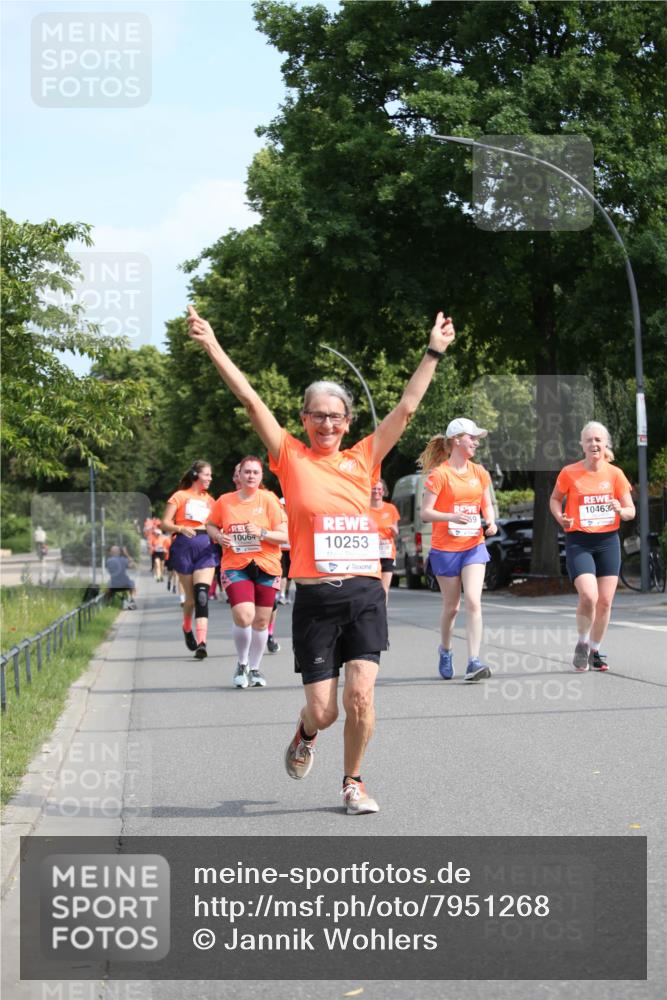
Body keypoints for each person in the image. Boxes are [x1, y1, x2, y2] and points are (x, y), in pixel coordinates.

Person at [188, 304, 456, 814]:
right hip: (314, 598)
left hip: (362, 594)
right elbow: (248, 398)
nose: (327, 423)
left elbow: (407, 408)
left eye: (336, 416)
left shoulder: (363, 458)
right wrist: (211, 344)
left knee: (361, 698)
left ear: (348, 421)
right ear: (304, 419)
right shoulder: (288, 457)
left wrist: (434, 351)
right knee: (326, 710)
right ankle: (306, 731)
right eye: (317, 415)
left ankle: (352, 782)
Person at [549, 421, 635, 672]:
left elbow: (630, 510)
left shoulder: (615, 474)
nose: (594, 444)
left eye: (598, 440)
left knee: (605, 602)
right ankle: (582, 643)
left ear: (605, 443)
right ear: (582, 445)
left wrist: (621, 509)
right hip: (579, 541)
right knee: (589, 596)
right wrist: (560, 517)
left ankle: (595, 649)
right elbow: (555, 500)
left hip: (608, 541)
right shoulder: (569, 472)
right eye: (589, 440)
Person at [419, 418, 498, 682]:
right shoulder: (439, 475)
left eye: (477, 438)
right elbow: (425, 513)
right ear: (456, 441)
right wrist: (451, 517)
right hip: (445, 549)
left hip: (473, 546)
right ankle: (446, 650)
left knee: (474, 601)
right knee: (452, 607)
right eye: (472, 438)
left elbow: (486, 506)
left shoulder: (479, 472)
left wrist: (492, 522)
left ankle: (474, 660)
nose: (476, 442)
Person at [206, 455, 288, 689]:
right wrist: (217, 535)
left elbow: (284, 536)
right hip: (236, 565)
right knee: (244, 616)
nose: (251, 476)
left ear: (261, 476)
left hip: (267, 565)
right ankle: (242, 663)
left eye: (255, 472)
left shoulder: (270, 500)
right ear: (239, 475)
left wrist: (261, 533)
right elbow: (210, 524)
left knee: (261, 621)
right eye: (247, 472)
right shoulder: (225, 501)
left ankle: (254, 667)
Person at [161, 460, 218, 659]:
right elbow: (164, 523)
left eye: (211, 475)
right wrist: (180, 528)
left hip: (205, 547)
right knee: (191, 600)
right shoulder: (180, 496)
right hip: (184, 546)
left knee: (202, 594)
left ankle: (202, 642)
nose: (210, 479)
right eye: (207, 475)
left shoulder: (211, 500)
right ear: (196, 475)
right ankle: (187, 627)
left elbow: (217, 523)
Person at [369, 479, 400, 599]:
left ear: (383, 491)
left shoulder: (391, 508)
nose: (376, 491)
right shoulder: (364, 509)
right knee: (371, 588)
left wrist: (394, 531)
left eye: (379, 489)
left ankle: (382, 615)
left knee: (384, 589)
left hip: (387, 553)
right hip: (370, 554)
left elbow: (397, 533)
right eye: (373, 488)